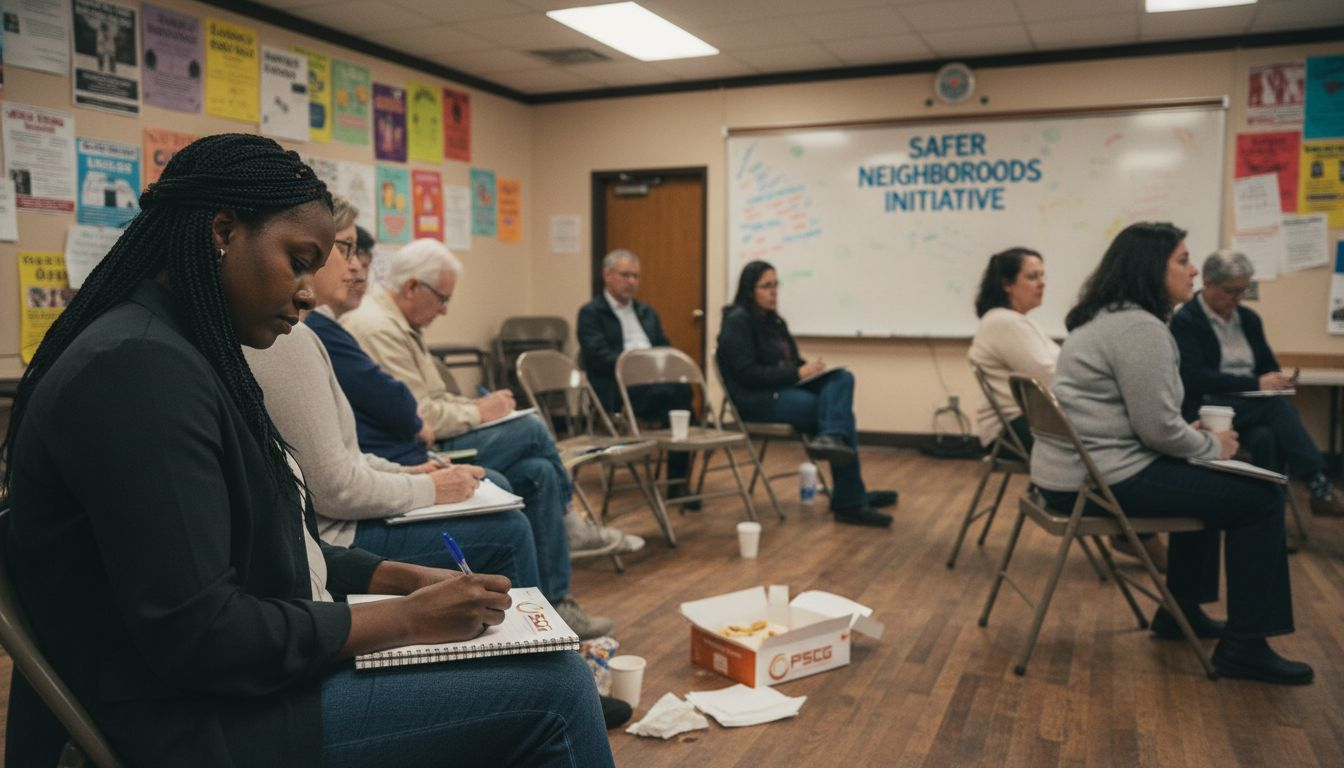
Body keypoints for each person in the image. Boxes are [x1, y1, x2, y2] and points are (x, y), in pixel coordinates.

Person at [0, 134, 613, 766]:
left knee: (537, 666)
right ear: (222, 231)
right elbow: (203, 634)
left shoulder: (182, 350)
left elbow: (271, 545)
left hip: (231, 688)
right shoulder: (138, 370)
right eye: (298, 261)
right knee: (556, 691)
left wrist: (399, 578)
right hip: (192, 721)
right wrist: (409, 619)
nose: (309, 292)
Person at [247, 197, 615, 641]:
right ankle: (542, 646)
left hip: (375, 483)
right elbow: (391, 434)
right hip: (339, 531)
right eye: (342, 250)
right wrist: (431, 484)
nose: (357, 266)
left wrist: (412, 473)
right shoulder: (294, 337)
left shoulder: (315, 333)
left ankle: (554, 614)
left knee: (534, 472)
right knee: (513, 506)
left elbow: (357, 448)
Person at [1031, 221, 1310, 685]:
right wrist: (1211, 444)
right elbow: (1158, 430)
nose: (1194, 270)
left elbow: (1145, 422)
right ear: (1150, 268)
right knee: (1261, 497)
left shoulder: (1108, 319)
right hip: (1098, 481)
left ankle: (1180, 611)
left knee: (1206, 478)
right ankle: (1245, 646)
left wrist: (1190, 439)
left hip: (1072, 476)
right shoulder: (1140, 329)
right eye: (1182, 260)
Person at [341, 239, 632, 636]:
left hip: (428, 439)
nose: (445, 309)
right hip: (419, 450)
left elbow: (433, 399)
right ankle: (570, 522)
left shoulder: (399, 323)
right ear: (412, 287)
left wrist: (477, 405)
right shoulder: (378, 328)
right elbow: (420, 416)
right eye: (442, 298)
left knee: (538, 472)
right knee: (531, 428)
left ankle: (556, 606)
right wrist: (480, 412)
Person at [968, 247, 1166, 570]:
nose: (1042, 283)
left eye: (1043, 275)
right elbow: (1053, 376)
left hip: (1024, 423)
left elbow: (1060, 371)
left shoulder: (1016, 322)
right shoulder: (1005, 323)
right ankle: (1136, 537)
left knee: (1111, 446)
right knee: (1109, 454)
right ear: (1007, 284)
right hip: (1012, 431)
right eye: (1032, 276)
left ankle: (1132, 533)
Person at [716, 260, 897, 528]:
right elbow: (748, 375)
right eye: (766, 286)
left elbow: (790, 362)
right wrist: (797, 373)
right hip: (758, 400)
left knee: (841, 378)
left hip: (783, 389)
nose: (774, 291)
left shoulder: (774, 321)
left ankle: (836, 455)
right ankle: (850, 499)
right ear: (749, 290)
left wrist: (810, 370)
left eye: (776, 285)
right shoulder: (737, 322)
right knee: (837, 413)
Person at [1171, 249, 1344, 517]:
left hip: (1251, 409)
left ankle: (1267, 515)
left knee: (1266, 437)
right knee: (1275, 407)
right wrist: (1256, 384)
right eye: (1231, 291)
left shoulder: (1249, 319)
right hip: (1208, 407)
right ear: (1208, 283)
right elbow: (1195, 378)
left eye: (1244, 290)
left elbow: (1267, 366)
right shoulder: (1185, 320)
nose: (1238, 298)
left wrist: (1277, 380)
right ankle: (1318, 484)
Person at [577, 248, 695, 505]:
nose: (632, 281)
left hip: (655, 383)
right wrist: (638, 366)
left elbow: (665, 347)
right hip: (616, 388)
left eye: (636, 276)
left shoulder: (646, 312)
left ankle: (678, 480)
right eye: (625, 275)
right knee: (677, 402)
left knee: (682, 393)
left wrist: (660, 368)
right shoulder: (591, 313)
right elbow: (598, 358)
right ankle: (677, 483)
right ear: (607, 275)